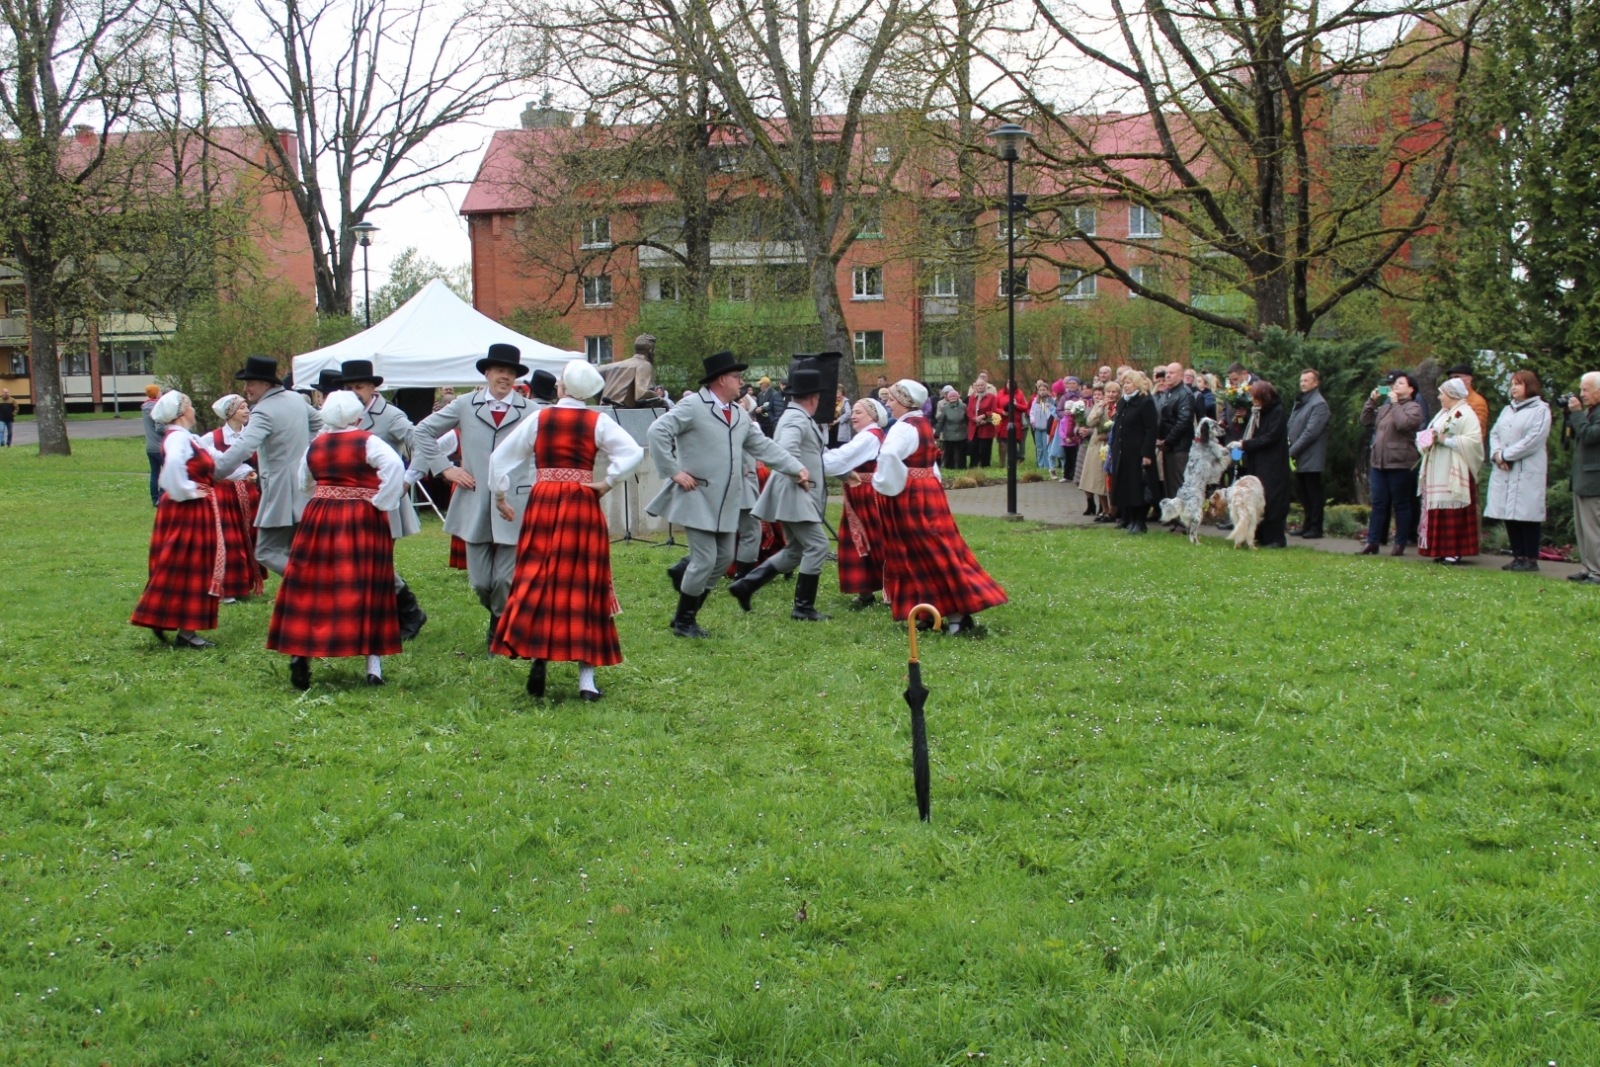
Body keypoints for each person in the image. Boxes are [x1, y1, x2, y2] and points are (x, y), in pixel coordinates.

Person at [489, 360, 645, 700]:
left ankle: (540, 654)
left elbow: (499, 458)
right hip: (581, 501)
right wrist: (608, 481)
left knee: (539, 577)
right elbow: (633, 451)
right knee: (584, 581)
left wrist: (500, 494)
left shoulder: (539, 418)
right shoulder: (597, 420)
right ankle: (586, 682)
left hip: (543, 501)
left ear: (561, 387)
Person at [646, 351, 807, 638]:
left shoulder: (739, 414)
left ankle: (686, 617)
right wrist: (673, 471)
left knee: (722, 559)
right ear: (722, 380)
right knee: (706, 559)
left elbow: (764, 447)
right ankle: (684, 623)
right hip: (696, 496)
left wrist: (796, 468)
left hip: (726, 502)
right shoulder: (692, 405)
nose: (742, 382)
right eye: (737, 377)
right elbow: (658, 431)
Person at [266, 390, 406, 690]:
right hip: (362, 518)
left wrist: (325, 496)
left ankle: (301, 652)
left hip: (320, 517)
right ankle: (373, 666)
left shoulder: (316, 445)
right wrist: (381, 501)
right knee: (368, 584)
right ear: (358, 416)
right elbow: (394, 467)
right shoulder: (367, 441)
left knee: (313, 583)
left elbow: (304, 482)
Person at [414, 345, 541, 642]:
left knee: (506, 578)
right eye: (500, 371)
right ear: (487, 373)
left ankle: (499, 628)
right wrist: (445, 469)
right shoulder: (464, 404)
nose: (505, 377)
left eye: (510, 372)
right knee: (481, 581)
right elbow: (422, 432)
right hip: (473, 500)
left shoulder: (532, 411)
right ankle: (499, 613)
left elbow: (545, 448)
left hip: (515, 502)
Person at [874, 380, 1007, 634]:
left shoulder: (902, 429)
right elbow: (932, 463)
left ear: (904, 401)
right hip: (929, 491)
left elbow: (889, 456)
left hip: (912, 495)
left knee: (923, 552)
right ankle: (927, 611)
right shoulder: (922, 423)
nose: (888, 404)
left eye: (892, 399)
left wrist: (885, 484)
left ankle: (953, 613)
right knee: (934, 549)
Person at [339, 359, 436, 641]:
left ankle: (409, 612)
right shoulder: (341, 414)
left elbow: (420, 443)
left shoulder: (390, 415)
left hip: (382, 500)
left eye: (359, 386)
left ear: (372, 387)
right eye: (349, 387)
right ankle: (392, 614)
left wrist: (407, 479)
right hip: (351, 502)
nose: (354, 391)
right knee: (363, 561)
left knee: (376, 561)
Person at [730, 368, 831, 621]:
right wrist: (798, 472)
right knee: (818, 546)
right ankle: (803, 608)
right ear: (813, 397)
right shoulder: (797, 418)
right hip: (794, 491)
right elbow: (786, 448)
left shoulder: (796, 415)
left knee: (796, 550)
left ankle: (746, 585)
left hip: (791, 491)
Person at [129, 391, 227, 648]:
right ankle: (170, 622)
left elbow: (218, 461)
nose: (194, 410)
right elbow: (172, 468)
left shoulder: (187, 438)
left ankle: (175, 624)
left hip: (193, 508)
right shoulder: (177, 439)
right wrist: (188, 491)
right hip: (188, 509)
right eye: (191, 406)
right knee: (186, 565)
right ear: (183, 412)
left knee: (188, 565)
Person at [212, 356, 323, 576]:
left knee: (265, 551)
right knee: (295, 550)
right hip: (304, 485)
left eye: (250, 383)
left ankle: (311, 584)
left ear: (266, 383)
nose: (246, 389)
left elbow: (244, 447)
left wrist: (213, 472)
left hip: (280, 489)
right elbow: (318, 422)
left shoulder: (262, 410)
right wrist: (304, 450)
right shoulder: (295, 399)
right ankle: (305, 598)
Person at [822, 397, 891, 608]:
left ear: (873, 415)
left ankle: (886, 592)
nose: (853, 415)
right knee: (859, 540)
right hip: (859, 495)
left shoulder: (869, 437)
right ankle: (866, 592)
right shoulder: (867, 436)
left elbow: (840, 459)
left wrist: (813, 457)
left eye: (859, 412)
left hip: (868, 495)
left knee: (873, 540)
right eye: (853, 411)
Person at [1486, 369, 1552, 572]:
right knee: (1509, 513)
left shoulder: (1541, 410)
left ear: (1529, 386)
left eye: (1518, 383)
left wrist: (1507, 455)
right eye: (1512, 383)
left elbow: (1533, 440)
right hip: (1505, 469)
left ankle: (1530, 559)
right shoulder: (1508, 410)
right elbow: (1494, 433)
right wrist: (1497, 454)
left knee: (1527, 515)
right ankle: (1518, 556)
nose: (1513, 387)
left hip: (1526, 469)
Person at [1417, 378, 1486, 564]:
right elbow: (1433, 432)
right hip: (1438, 467)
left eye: (1442, 393)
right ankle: (1440, 549)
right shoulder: (1444, 413)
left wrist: (1445, 440)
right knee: (1440, 507)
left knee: (1452, 507)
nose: (1439, 397)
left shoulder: (1466, 413)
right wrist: (1426, 440)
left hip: (1454, 470)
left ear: (1452, 395)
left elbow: (1474, 442)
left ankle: (1454, 550)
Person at [204, 394, 264, 602]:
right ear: (230, 413)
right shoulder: (214, 438)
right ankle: (225, 588)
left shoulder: (251, 435)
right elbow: (206, 461)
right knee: (230, 540)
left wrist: (255, 474)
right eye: (242, 408)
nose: (247, 411)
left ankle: (243, 583)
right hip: (225, 494)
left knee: (250, 536)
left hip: (248, 494)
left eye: (247, 407)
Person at [1360, 372, 1425, 556]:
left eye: (1401, 383)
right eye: (1394, 384)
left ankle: (1400, 543)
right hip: (1379, 462)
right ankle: (1373, 541)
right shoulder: (1386, 407)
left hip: (1401, 463)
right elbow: (1366, 420)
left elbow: (1403, 424)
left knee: (1401, 504)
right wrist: (1372, 401)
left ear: (1411, 389)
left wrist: (1395, 403)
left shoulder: (1414, 407)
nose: (1395, 386)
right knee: (1378, 503)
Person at [1236, 380, 1292, 547]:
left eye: (1256, 397)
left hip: (1273, 464)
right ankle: (1259, 535)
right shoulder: (1256, 413)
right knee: (1258, 498)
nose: (1253, 401)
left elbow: (1271, 437)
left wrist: (1247, 445)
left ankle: (1276, 538)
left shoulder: (1278, 413)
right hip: (1258, 462)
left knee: (1273, 499)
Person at [1109, 372, 1159, 533]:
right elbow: (1117, 427)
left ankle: (1140, 521)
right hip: (1122, 452)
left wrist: (1147, 454)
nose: (1126, 386)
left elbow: (1151, 430)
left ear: (1137, 384)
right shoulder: (1123, 402)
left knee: (1138, 488)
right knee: (1124, 487)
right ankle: (1128, 519)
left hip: (1137, 453)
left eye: (1129, 382)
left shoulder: (1145, 402)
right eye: (1124, 383)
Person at [1287, 369, 1331, 539]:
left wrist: (1292, 450)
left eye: (1307, 380)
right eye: (1302, 380)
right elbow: (1292, 425)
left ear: (1316, 383)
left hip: (1311, 455)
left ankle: (1316, 527)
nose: (1303, 383)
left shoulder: (1319, 404)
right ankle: (1307, 525)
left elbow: (1311, 432)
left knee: (1313, 493)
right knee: (1303, 493)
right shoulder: (1301, 402)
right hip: (1299, 455)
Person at [1566, 372, 1600, 583]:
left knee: (1594, 529)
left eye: (1586, 389)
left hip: (1594, 480)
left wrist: (1577, 414)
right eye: (1581, 389)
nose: (1582, 394)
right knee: (1583, 529)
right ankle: (1588, 568)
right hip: (1584, 478)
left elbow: (1590, 436)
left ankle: (1597, 571)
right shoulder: (1591, 411)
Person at [1156, 361, 1195, 510]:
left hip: (1179, 446)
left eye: (1172, 373)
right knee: (1169, 483)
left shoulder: (1185, 394)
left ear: (1181, 375)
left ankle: (1182, 520)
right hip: (1168, 445)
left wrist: (1168, 441)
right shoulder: (1168, 392)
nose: (1168, 375)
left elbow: (1183, 421)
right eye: (1167, 373)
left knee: (1179, 483)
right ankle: (1174, 517)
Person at [1079, 381, 1117, 521]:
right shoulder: (1099, 405)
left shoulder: (1119, 406)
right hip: (1097, 445)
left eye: (1114, 392)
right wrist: (1100, 409)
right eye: (1109, 392)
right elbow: (1090, 422)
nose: (1111, 395)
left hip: (1111, 444)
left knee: (1110, 478)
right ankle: (1104, 509)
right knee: (1097, 478)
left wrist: (1109, 435)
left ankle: (1113, 510)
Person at [598, 333, 658, 407]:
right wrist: (661, 400)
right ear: (651, 351)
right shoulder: (645, 365)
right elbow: (642, 394)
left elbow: (594, 376)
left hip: (604, 410)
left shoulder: (612, 367)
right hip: (623, 412)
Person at [1446, 363, 1491, 439]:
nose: (1453, 381)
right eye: (1451, 378)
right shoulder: (1452, 399)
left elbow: (1476, 432)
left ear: (1469, 379)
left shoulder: (1478, 402)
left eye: (1457, 377)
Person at [966, 378, 998, 467]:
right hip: (974, 426)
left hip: (986, 426)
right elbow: (969, 410)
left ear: (985, 386)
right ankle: (973, 464)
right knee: (973, 446)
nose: (980, 387)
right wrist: (974, 418)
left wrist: (984, 416)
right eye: (978, 385)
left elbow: (994, 411)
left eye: (982, 385)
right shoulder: (972, 397)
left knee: (985, 447)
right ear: (975, 387)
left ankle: (985, 465)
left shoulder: (991, 397)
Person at [140, 383, 164, 505]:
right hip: (160, 446)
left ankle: (155, 498)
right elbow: (160, 428)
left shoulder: (145, 407)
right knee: (166, 472)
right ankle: (162, 497)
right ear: (156, 393)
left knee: (155, 473)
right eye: (159, 391)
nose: (161, 393)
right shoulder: (158, 407)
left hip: (150, 447)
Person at [935, 385, 967, 470]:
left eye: (954, 396)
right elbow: (941, 421)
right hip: (949, 434)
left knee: (961, 452)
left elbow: (967, 419)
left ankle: (962, 467)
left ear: (957, 397)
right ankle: (949, 467)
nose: (952, 397)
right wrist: (936, 434)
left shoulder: (963, 406)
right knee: (949, 453)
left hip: (962, 433)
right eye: (950, 396)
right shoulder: (945, 408)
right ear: (948, 398)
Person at [1029, 380, 1054, 471]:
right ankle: (1040, 465)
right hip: (1037, 427)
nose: (1042, 391)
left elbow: (1051, 412)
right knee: (1039, 448)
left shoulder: (1051, 400)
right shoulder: (1035, 401)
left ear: (1048, 390)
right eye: (1040, 390)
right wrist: (1033, 421)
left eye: (1044, 389)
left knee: (1046, 447)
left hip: (1046, 428)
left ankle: (1047, 465)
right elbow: (1032, 412)